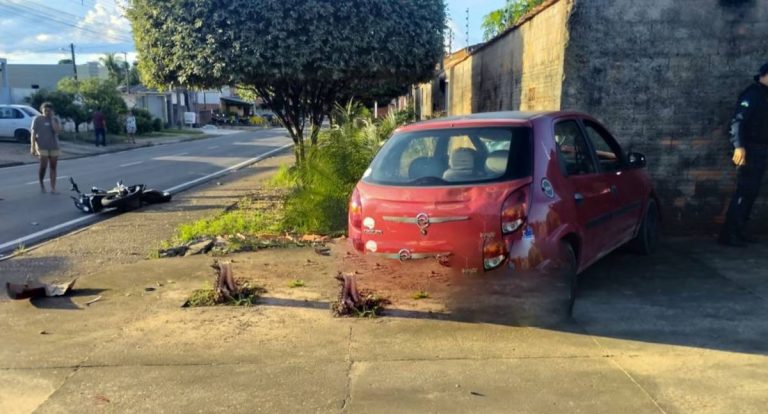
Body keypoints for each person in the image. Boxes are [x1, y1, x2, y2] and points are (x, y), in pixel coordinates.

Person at [719, 62, 768, 247]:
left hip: (761, 150)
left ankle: (739, 230)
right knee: (745, 191)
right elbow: (737, 122)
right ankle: (729, 234)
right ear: (765, 75)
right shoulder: (753, 94)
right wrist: (739, 147)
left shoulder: (764, 94)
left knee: (751, 193)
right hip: (751, 150)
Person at [30, 102, 61, 194]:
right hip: (41, 146)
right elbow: (33, 134)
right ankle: (41, 183)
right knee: (43, 166)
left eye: (49, 110)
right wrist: (32, 147)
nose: (47, 112)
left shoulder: (55, 119)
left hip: (54, 146)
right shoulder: (37, 119)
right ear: (42, 110)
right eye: (45, 110)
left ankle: (53, 188)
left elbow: (56, 131)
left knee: (53, 166)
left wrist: (52, 119)